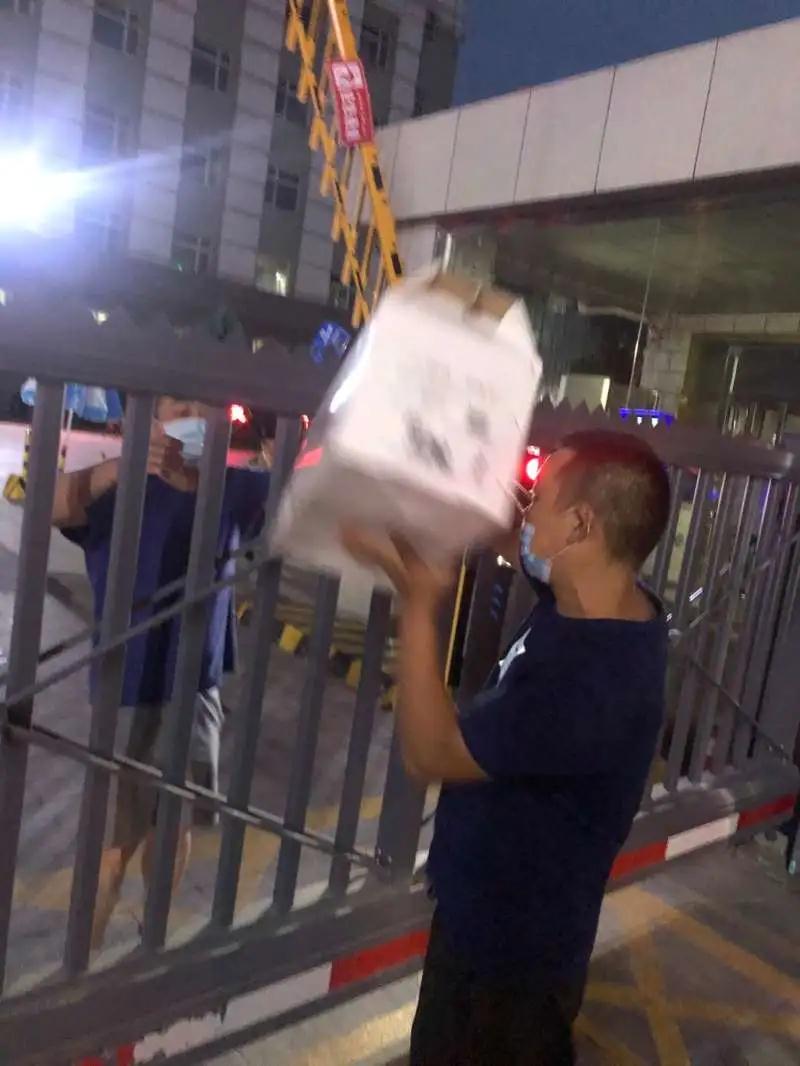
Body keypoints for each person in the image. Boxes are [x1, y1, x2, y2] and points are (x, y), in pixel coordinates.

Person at [343, 429, 671, 1066]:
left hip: (510, 963)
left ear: (581, 525)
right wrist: (426, 496)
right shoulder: (594, 595)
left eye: (537, 499)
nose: (524, 513)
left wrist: (419, 603)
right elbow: (507, 534)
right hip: (490, 918)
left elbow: (430, 753)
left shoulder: (593, 683)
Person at [52, 396, 270, 948]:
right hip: (126, 688)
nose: (191, 416)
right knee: (113, 842)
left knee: (173, 825)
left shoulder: (233, 488)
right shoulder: (122, 487)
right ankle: (82, 958)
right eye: (178, 406)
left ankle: (151, 942)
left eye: (203, 406)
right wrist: (118, 466)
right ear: (151, 419)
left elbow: (304, 500)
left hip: (195, 689)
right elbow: (50, 505)